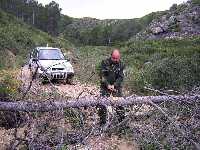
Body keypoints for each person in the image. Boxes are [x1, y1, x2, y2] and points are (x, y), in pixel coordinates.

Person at [98, 49, 125, 126]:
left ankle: (121, 122)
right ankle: (102, 123)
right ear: (111, 56)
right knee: (103, 104)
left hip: (116, 87)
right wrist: (107, 85)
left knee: (120, 103)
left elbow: (121, 77)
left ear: (119, 57)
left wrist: (115, 85)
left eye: (117, 58)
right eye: (114, 58)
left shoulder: (121, 64)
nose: (115, 60)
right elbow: (102, 76)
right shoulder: (105, 62)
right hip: (105, 87)